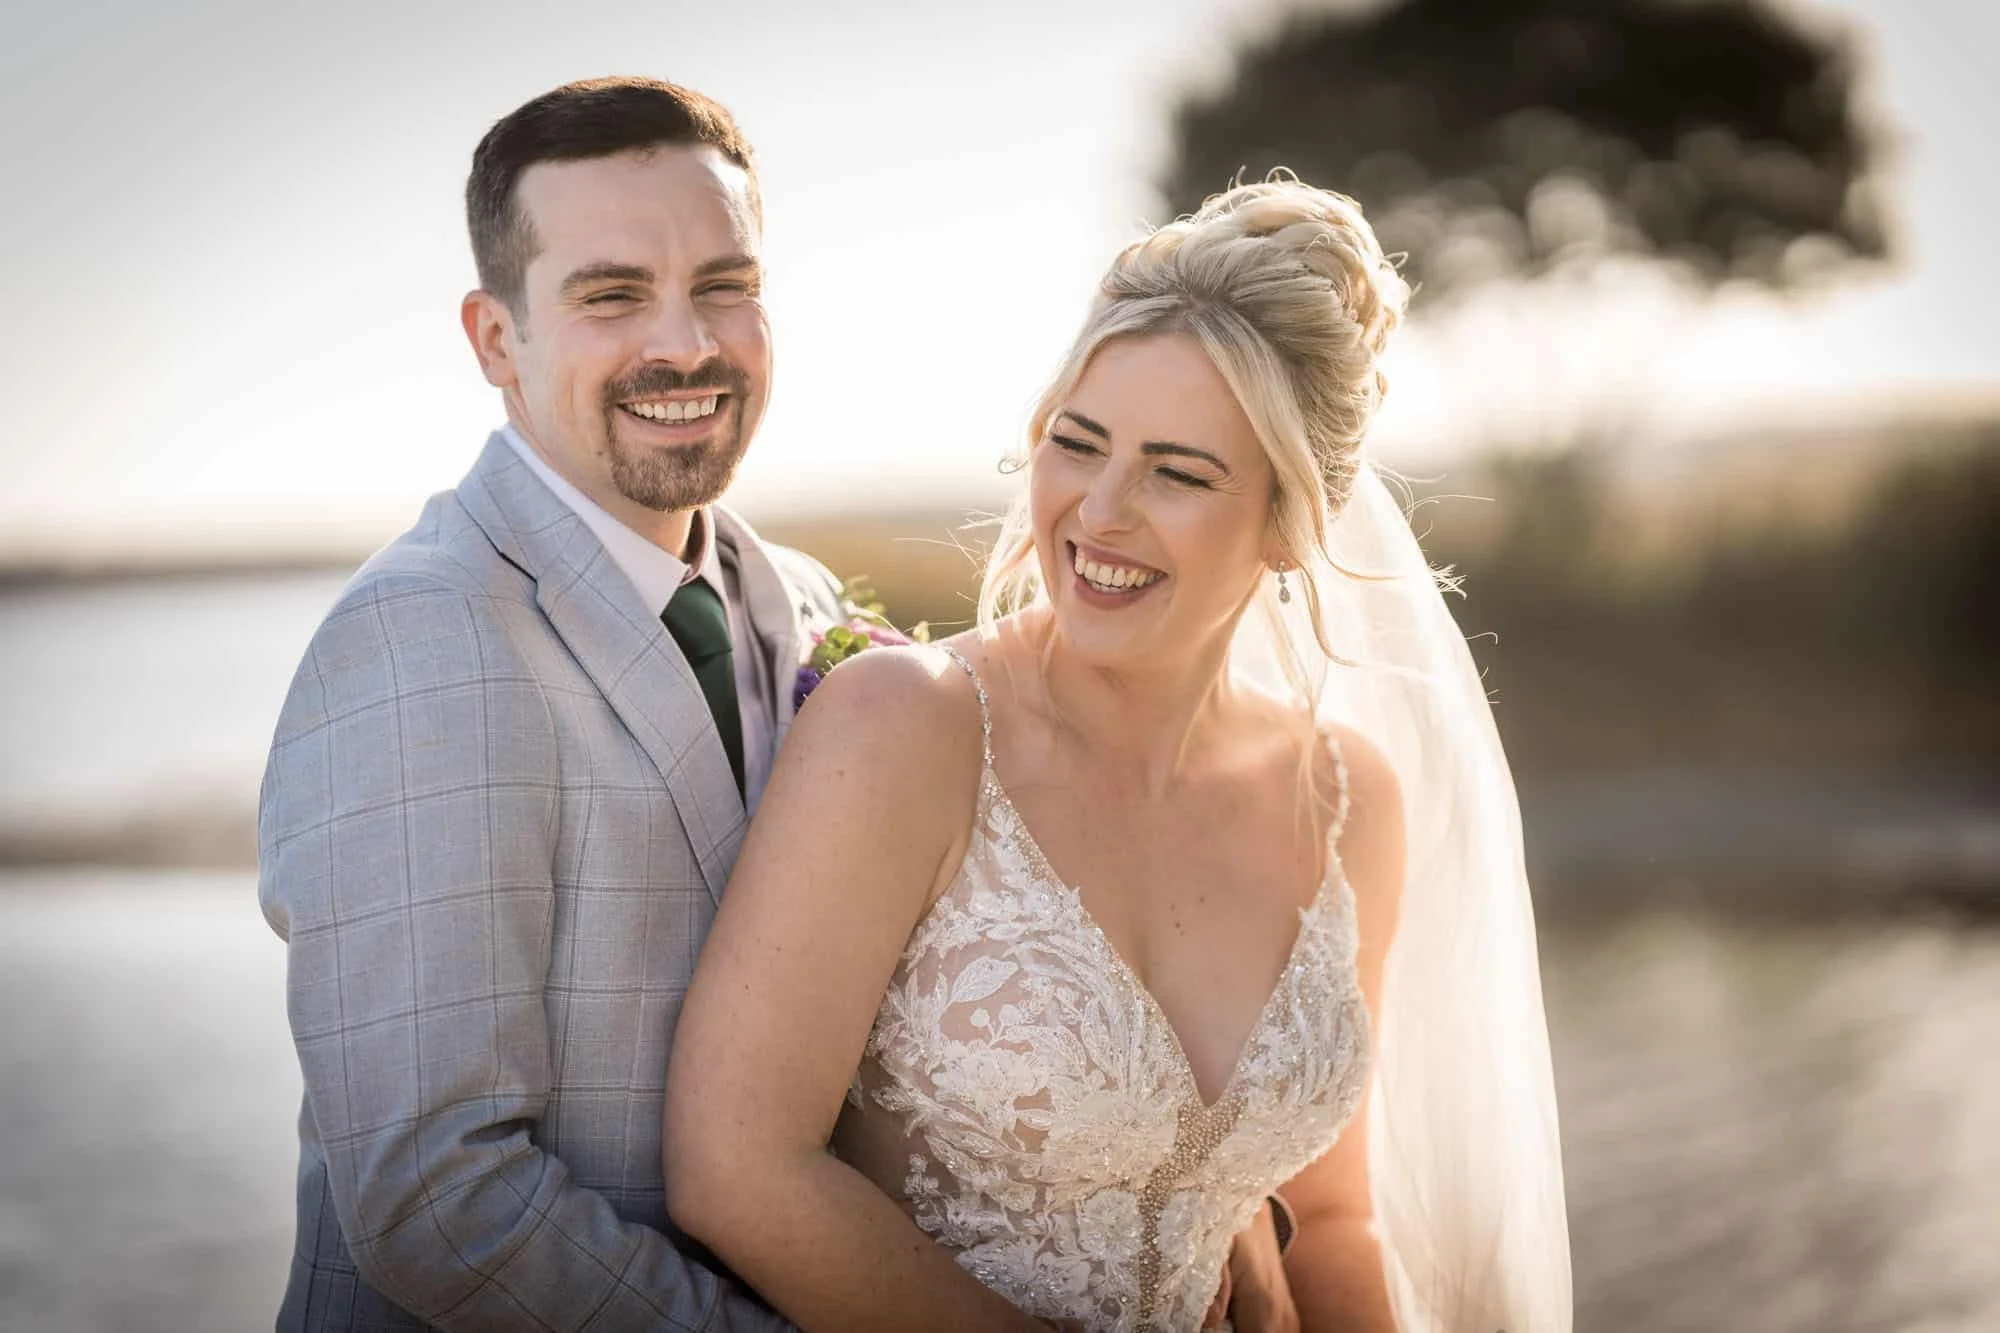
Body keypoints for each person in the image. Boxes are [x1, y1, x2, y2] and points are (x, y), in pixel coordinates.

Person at [664, 178, 1573, 1331]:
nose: (1098, 512)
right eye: (1076, 445)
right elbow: (736, 1168)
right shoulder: (906, 725)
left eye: (1177, 472)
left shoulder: (1349, 801)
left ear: (1289, 522)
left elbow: (1331, 1216)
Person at [257, 77, 847, 1330]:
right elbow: (435, 1198)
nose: (683, 342)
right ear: (494, 340)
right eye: (610, 294)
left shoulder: (794, 600)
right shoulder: (424, 639)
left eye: (724, 284)